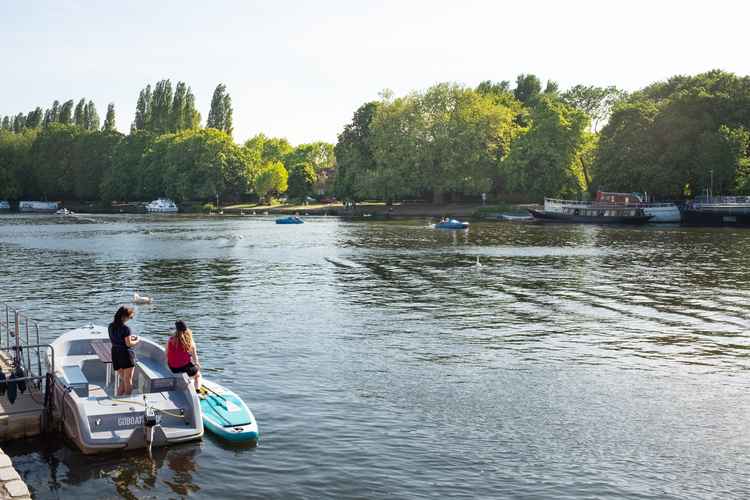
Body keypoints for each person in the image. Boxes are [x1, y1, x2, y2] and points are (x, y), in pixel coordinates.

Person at [108, 305, 139, 396]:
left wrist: (129, 338)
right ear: (124, 316)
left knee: (123, 379)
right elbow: (128, 344)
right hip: (125, 355)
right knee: (128, 379)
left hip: (115, 354)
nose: (130, 319)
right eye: (130, 317)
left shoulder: (110, 326)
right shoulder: (126, 328)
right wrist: (137, 340)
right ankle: (127, 399)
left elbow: (116, 339)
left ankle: (118, 397)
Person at [166, 320, 202, 391]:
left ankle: (184, 378)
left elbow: (166, 353)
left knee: (186, 363)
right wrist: (197, 364)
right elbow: (194, 357)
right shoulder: (189, 341)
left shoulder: (171, 340)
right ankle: (197, 390)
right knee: (198, 375)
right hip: (184, 368)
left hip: (172, 368)